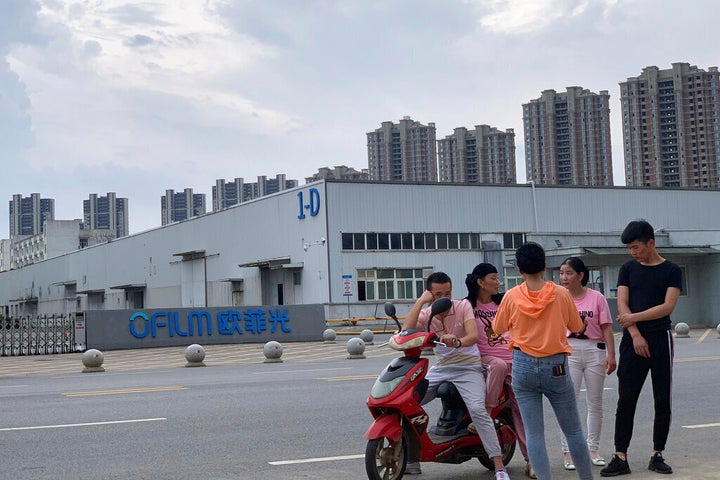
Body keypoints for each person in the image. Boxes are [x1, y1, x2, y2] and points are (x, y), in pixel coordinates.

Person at [492, 242, 593, 480]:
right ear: (545, 266)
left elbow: (497, 328)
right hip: (555, 365)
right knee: (573, 430)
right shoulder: (561, 294)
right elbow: (576, 326)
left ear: (520, 269)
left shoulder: (511, 296)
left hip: (523, 365)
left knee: (534, 433)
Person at [402, 272, 510, 480]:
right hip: (441, 367)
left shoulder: (462, 306)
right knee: (408, 401)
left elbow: (473, 336)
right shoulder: (427, 313)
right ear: (429, 294)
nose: (444, 298)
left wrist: (457, 342)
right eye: (438, 294)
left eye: (448, 293)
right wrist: (420, 301)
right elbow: (407, 330)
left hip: (468, 367)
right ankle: (412, 459)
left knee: (478, 409)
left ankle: (499, 466)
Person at [600, 220, 681, 477]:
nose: (633, 253)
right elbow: (622, 306)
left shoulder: (671, 270)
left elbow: (667, 307)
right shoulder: (627, 269)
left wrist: (634, 319)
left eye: (636, 247)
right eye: (630, 249)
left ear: (650, 243)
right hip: (632, 340)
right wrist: (634, 333)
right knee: (626, 399)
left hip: (660, 338)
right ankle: (620, 455)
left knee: (662, 399)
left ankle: (657, 454)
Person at [465, 263, 536, 479]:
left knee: (522, 410)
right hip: (486, 361)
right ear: (480, 282)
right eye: (494, 278)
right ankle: (485, 414)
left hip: (514, 360)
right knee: (498, 365)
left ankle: (532, 461)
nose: (499, 283)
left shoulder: (504, 301)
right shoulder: (466, 306)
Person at [558, 257, 616, 470]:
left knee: (595, 402)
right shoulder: (559, 298)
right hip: (568, 350)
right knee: (567, 403)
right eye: (562, 273)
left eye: (569, 273)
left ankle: (593, 449)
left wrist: (612, 354)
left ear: (581, 275)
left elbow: (606, 328)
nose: (564, 277)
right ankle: (568, 452)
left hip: (594, 350)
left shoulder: (596, 297)